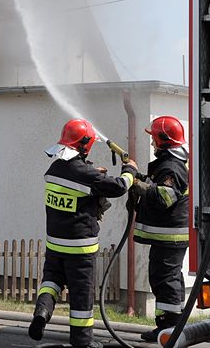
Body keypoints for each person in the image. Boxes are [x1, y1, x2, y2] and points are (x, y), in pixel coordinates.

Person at [29, 118, 138, 348]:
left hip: (55, 245)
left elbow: (76, 181)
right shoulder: (86, 174)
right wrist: (130, 171)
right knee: (82, 296)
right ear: (84, 144)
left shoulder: (55, 168)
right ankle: (82, 342)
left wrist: (91, 172)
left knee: (51, 283)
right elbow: (118, 186)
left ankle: (41, 314)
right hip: (80, 248)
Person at [130, 115, 190, 343]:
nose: (152, 143)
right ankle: (169, 326)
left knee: (165, 280)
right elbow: (157, 186)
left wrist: (136, 184)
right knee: (166, 279)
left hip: (170, 236)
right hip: (167, 236)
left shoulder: (172, 167)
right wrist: (140, 178)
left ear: (162, 140)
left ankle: (169, 329)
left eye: (154, 139)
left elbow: (164, 197)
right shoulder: (170, 163)